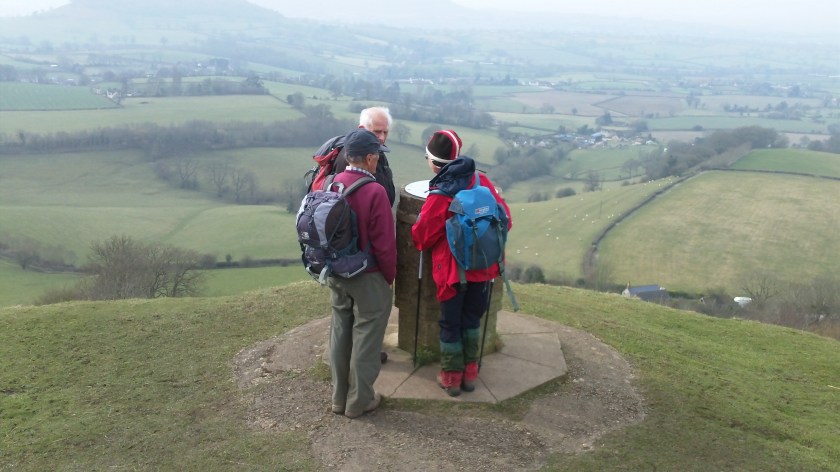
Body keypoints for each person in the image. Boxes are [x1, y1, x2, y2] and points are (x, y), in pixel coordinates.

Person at [411, 130, 512, 397]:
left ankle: (451, 378)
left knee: (450, 324)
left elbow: (422, 238)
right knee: (471, 320)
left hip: (452, 275)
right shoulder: (481, 181)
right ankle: (470, 375)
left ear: (434, 163)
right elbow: (506, 220)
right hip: (484, 270)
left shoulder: (441, 193)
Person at [327, 128, 397, 418]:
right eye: (377, 156)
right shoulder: (374, 191)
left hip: (335, 272)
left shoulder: (332, 184)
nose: (378, 161)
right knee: (367, 335)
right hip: (367, 274)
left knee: (341, 331)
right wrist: (389, 276)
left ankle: (338, 399)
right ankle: (360, 401)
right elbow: (384, 243)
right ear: (369, 158)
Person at [333, 106, 396, 206]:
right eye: (377, 132)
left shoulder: (378, 151)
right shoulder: (352, 159)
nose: (382, 138)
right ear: (362, 129)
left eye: (385, 132)